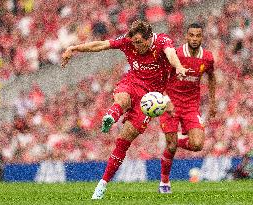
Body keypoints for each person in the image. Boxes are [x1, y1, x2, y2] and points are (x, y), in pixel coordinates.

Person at [61, 20, 186, 199]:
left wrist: (179, 66)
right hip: (132, 83)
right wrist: (74, 48)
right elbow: (102, 44)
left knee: (123, 141)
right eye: (134, 42)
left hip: (150, 98)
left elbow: (171, 54)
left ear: (149, 38)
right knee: (122, 98)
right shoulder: (128, 42)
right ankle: (112, 115)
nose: (136, 46)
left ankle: (103, 183)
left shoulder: (161, 41)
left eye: (140, 43)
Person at [159, 22, 216, 193]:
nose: (194, 38)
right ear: (186, 36)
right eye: (191, 35)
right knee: (170, 147)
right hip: (171, 104)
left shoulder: (207, 57)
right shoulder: (175, 54)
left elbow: (212, 77)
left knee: (198, 144)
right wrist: (165, 99)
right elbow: (161, 76)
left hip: (191, 106)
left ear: (202, 37)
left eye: (198, 35)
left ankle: (175, 141)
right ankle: (164, 182)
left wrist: (212, 102)